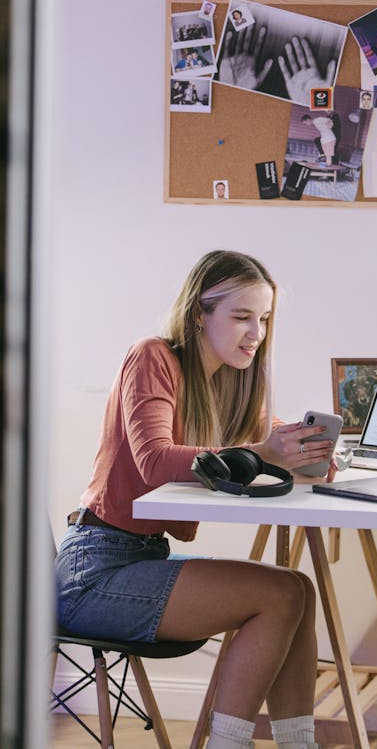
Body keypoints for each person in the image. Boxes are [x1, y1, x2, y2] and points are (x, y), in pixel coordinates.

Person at [55, 250, 337, 749]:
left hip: (141, 558)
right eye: (242, 317)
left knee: (299, 589)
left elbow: (264, 443)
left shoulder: (228, 383)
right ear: (199, 314)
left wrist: (309, 454)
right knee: (281, 594)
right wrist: (262, 452)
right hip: (93, 573)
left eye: (265, 319)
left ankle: (299, 743)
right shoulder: (152, 356)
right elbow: (155, 461)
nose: (257, 333)